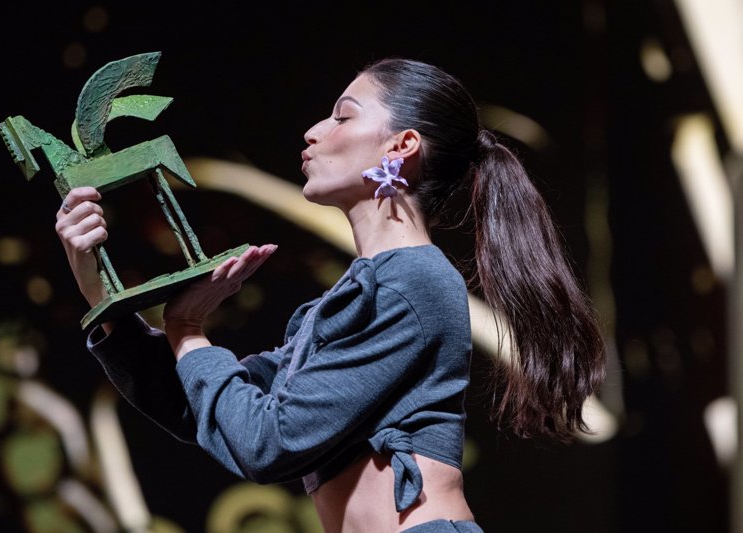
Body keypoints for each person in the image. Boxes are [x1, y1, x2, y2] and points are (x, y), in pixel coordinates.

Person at [55, 58, 606, 533]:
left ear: (402, 146)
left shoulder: (412, 282)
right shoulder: (355, 298)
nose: (314, 131)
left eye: (343, 116)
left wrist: (189, 330)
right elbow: (204, 406)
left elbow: (268, 443)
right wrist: (98, 288)